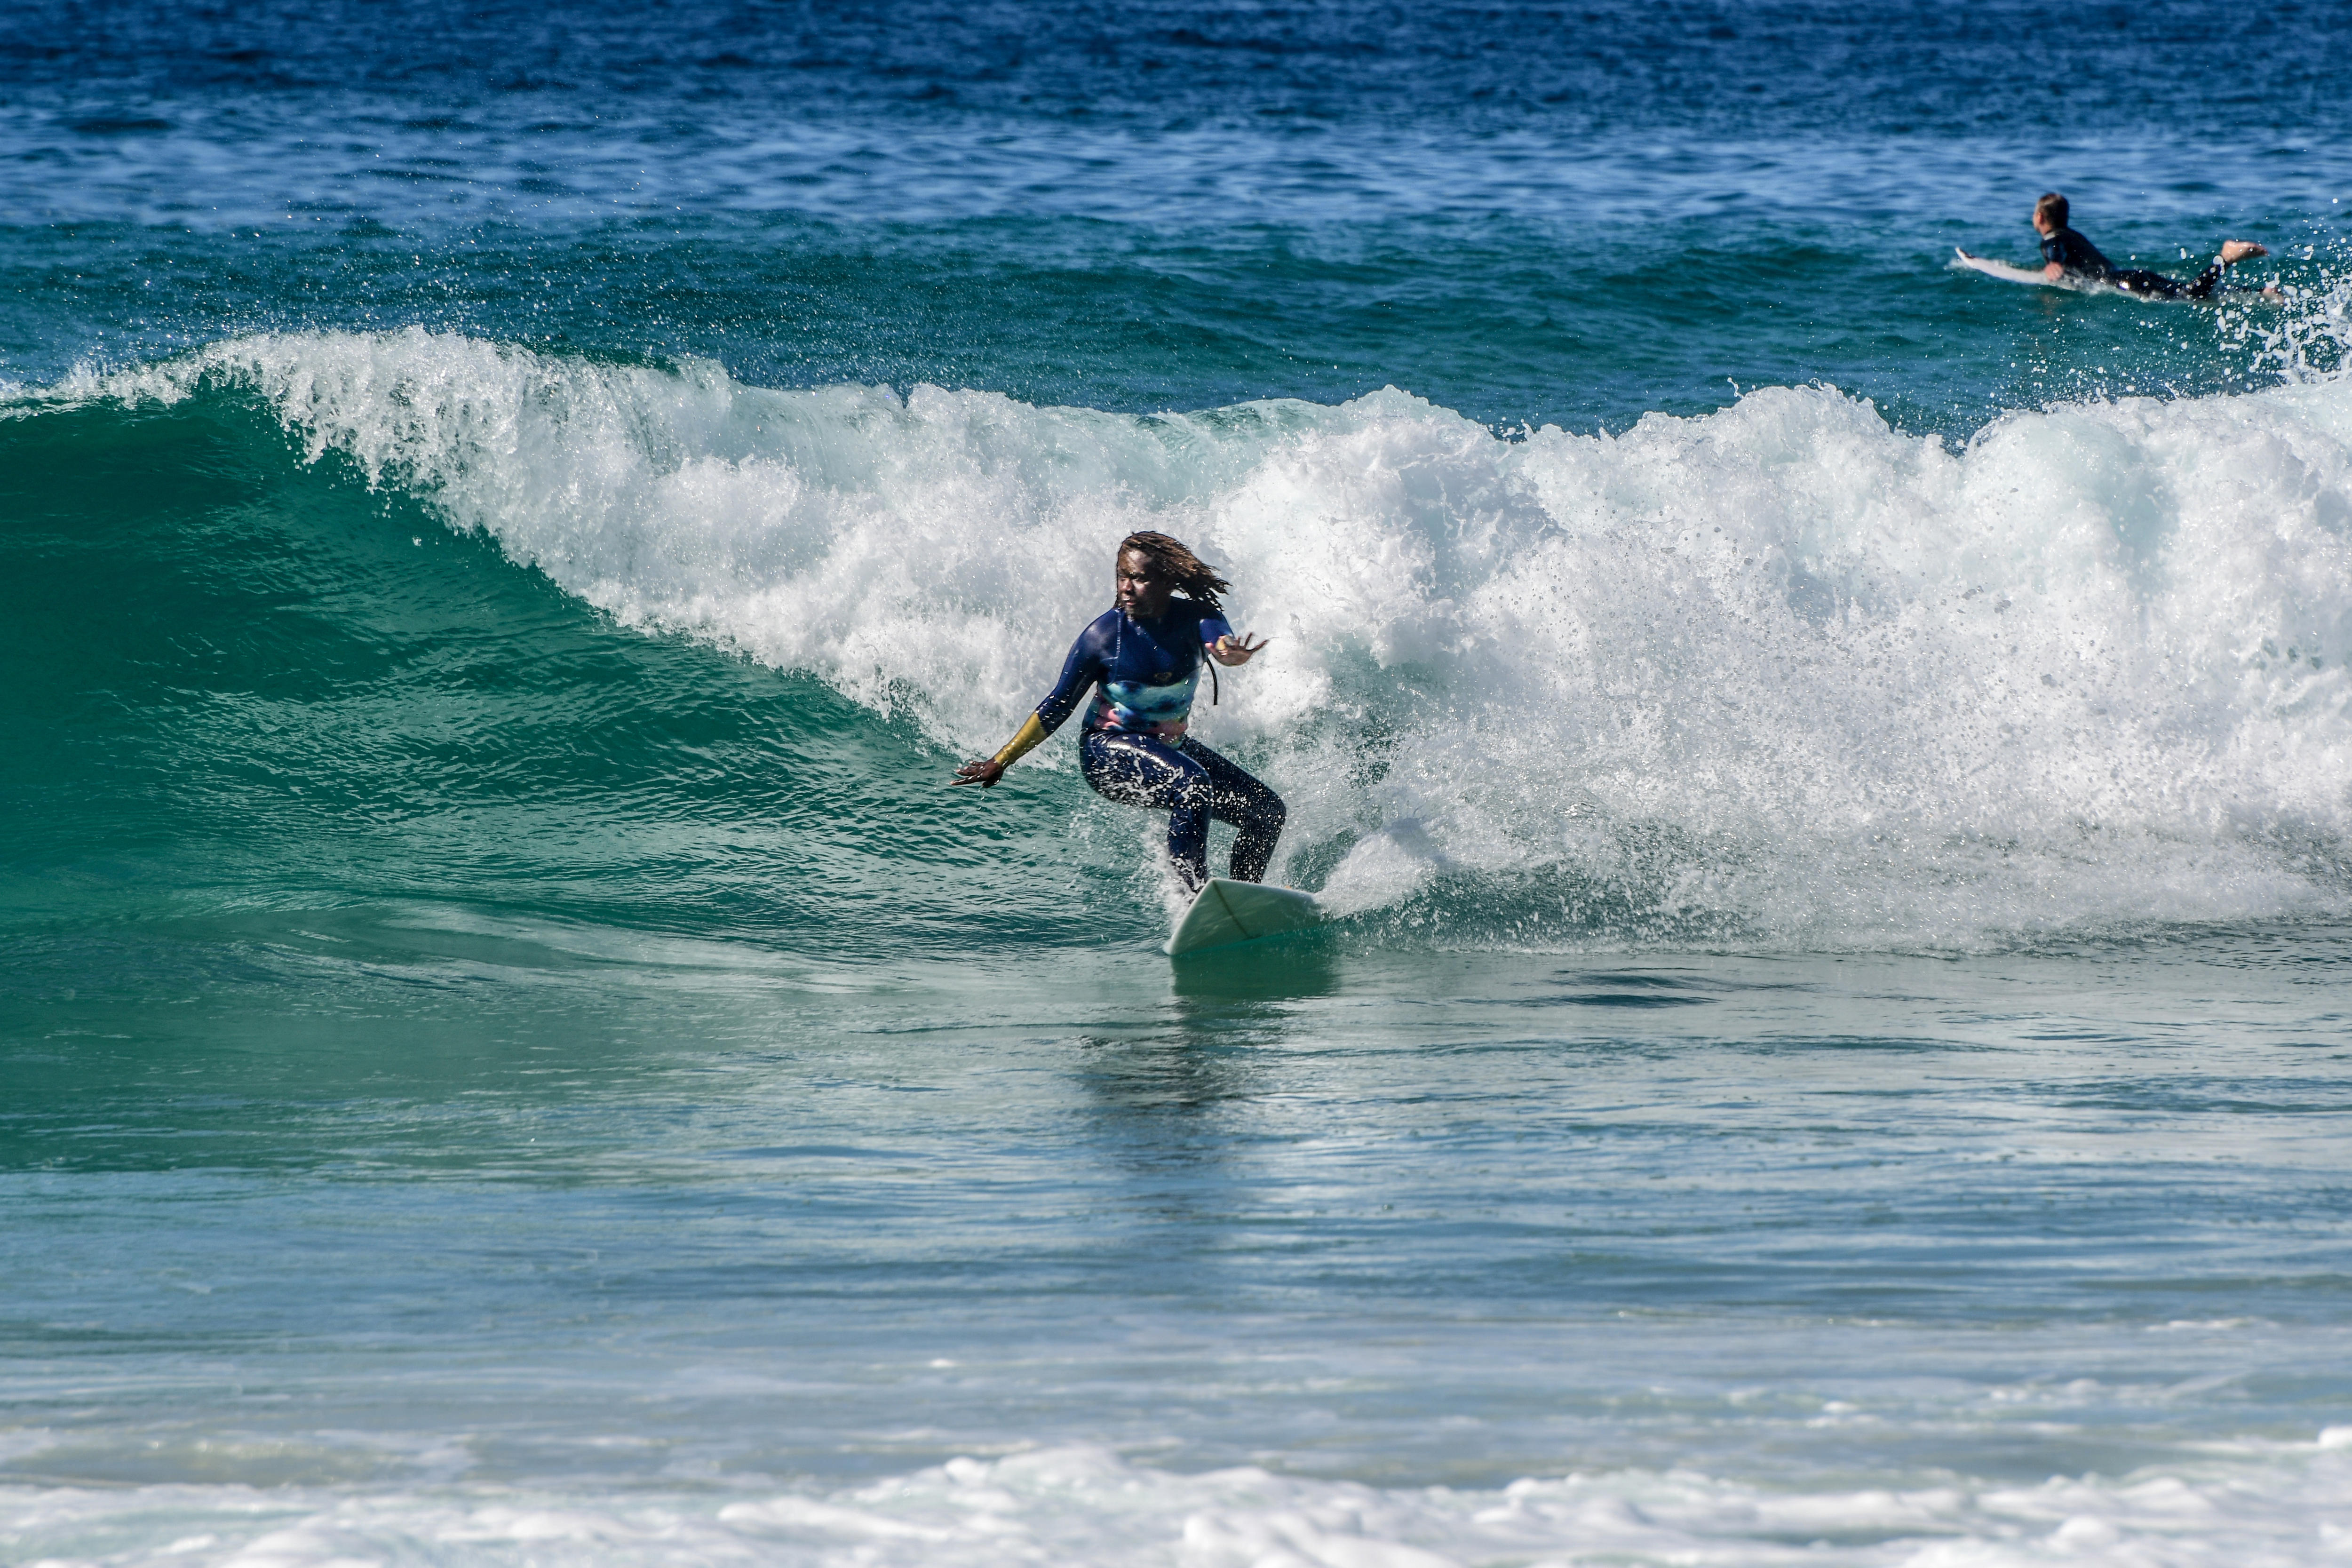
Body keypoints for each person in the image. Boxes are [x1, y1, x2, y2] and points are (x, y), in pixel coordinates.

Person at [953, 531, 1287, 894]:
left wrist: (1229, 655)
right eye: (1122, 576)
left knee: (1266, 811)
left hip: (1167, 747)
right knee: (1193, 785)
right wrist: (1002, 759)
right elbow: (1057, 705)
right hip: (1106, 753)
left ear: (1166, 582)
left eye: (1140, 578)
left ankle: (1243, 904)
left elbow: (1219, 643)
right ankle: (1193, 900)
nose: (1127, 587)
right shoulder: (1102, 637)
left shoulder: (1197, 617)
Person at [2028, 191, 2267, 299]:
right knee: (2188, 290)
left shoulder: (2052, 239)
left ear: (2040, 218)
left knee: (2190, 294)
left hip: (2120, 282)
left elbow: (2054, 250)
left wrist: (2053, 265)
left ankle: (2226, 258)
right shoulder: (2074, 235)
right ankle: (2261, 293)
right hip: (2129, 275)